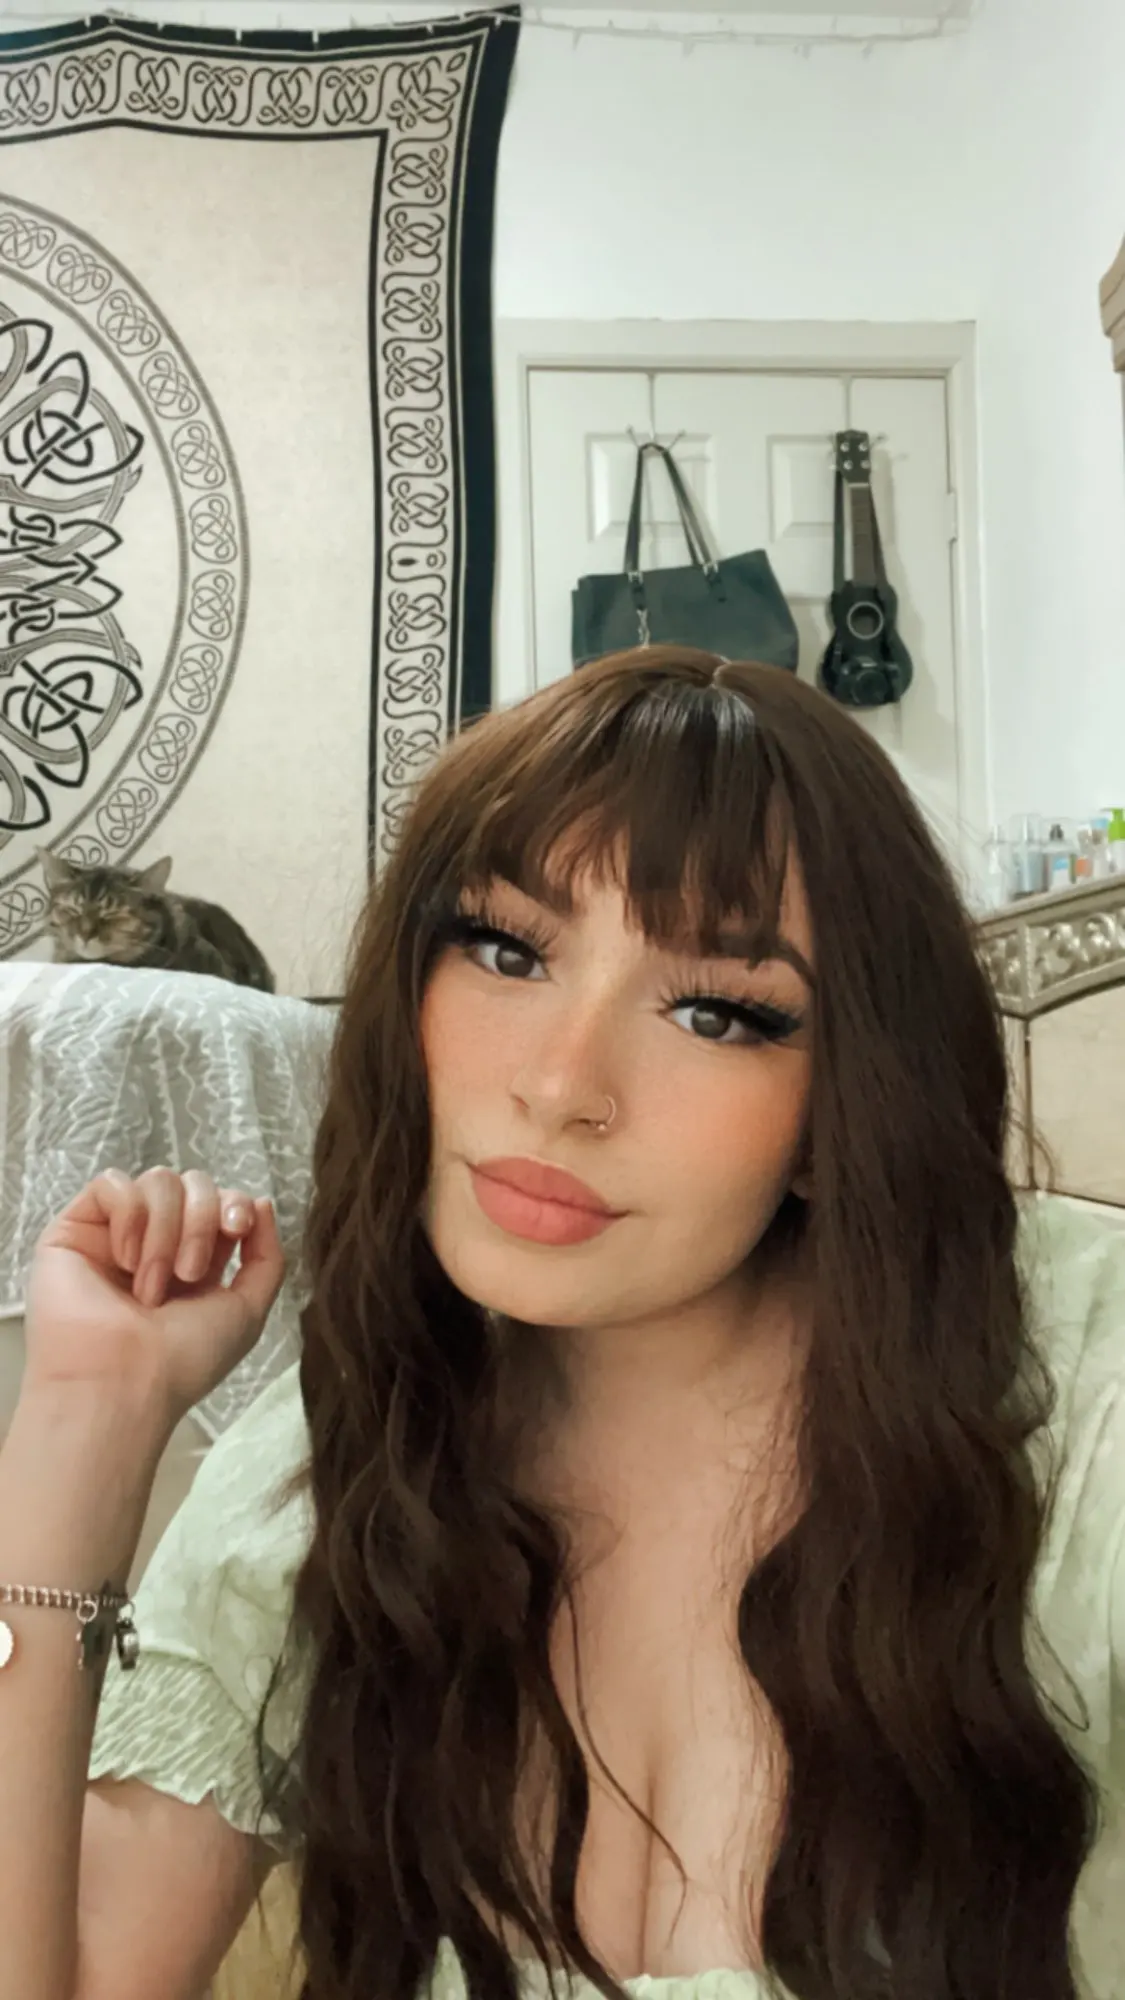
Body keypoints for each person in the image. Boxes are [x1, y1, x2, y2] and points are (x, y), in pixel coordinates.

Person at [1, 646, 1122, 2000]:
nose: (560, 1085)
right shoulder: (346, 1454)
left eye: (718, 1012)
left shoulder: (1079, 1387)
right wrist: (85, 1423)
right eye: (506, 949)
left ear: (847, 1106)